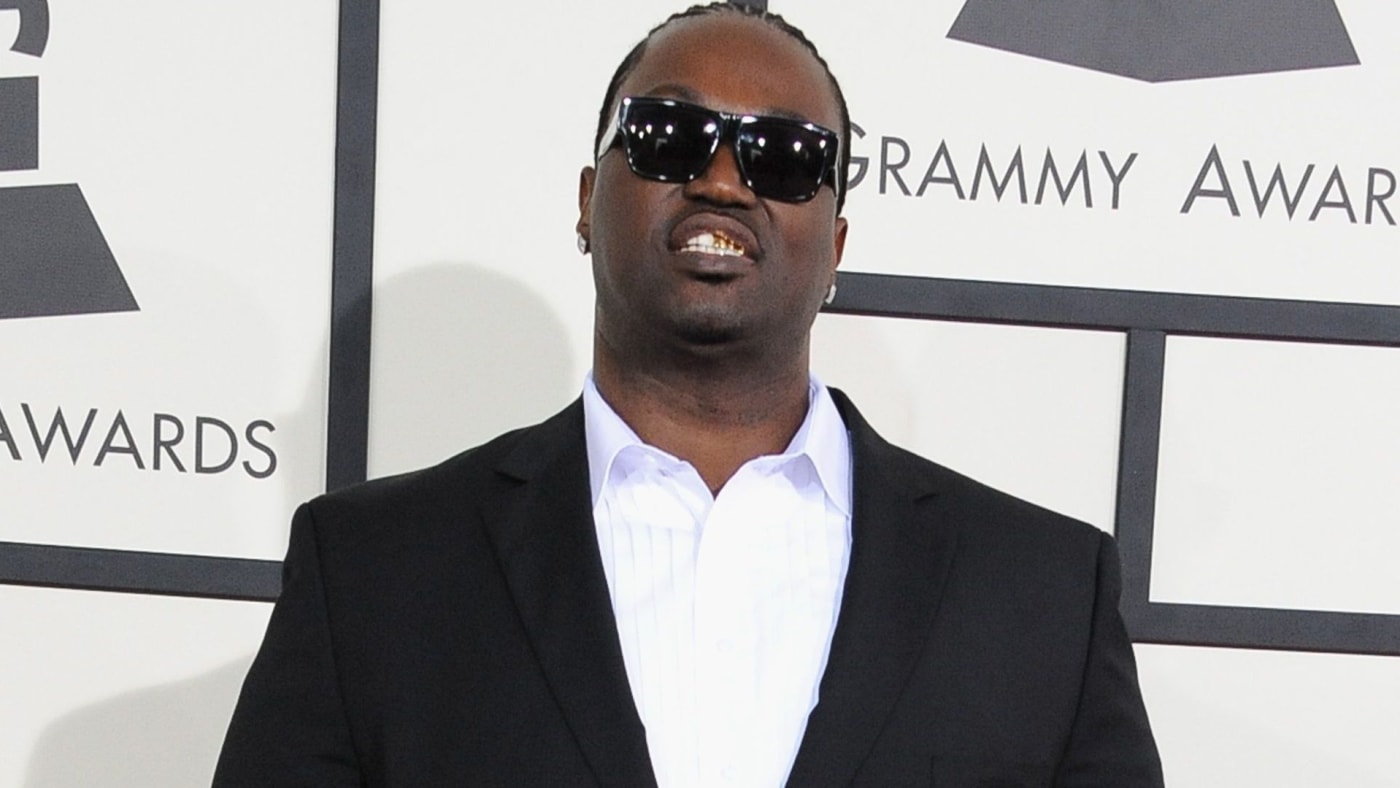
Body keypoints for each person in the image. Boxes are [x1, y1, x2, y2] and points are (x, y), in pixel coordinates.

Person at [214, 4, 1164, 785]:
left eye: (784, 156)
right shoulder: (374, 574)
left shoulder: (1043, 596)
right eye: (669, 139)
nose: (722, 182)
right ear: (587, 200)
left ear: (836, 244)